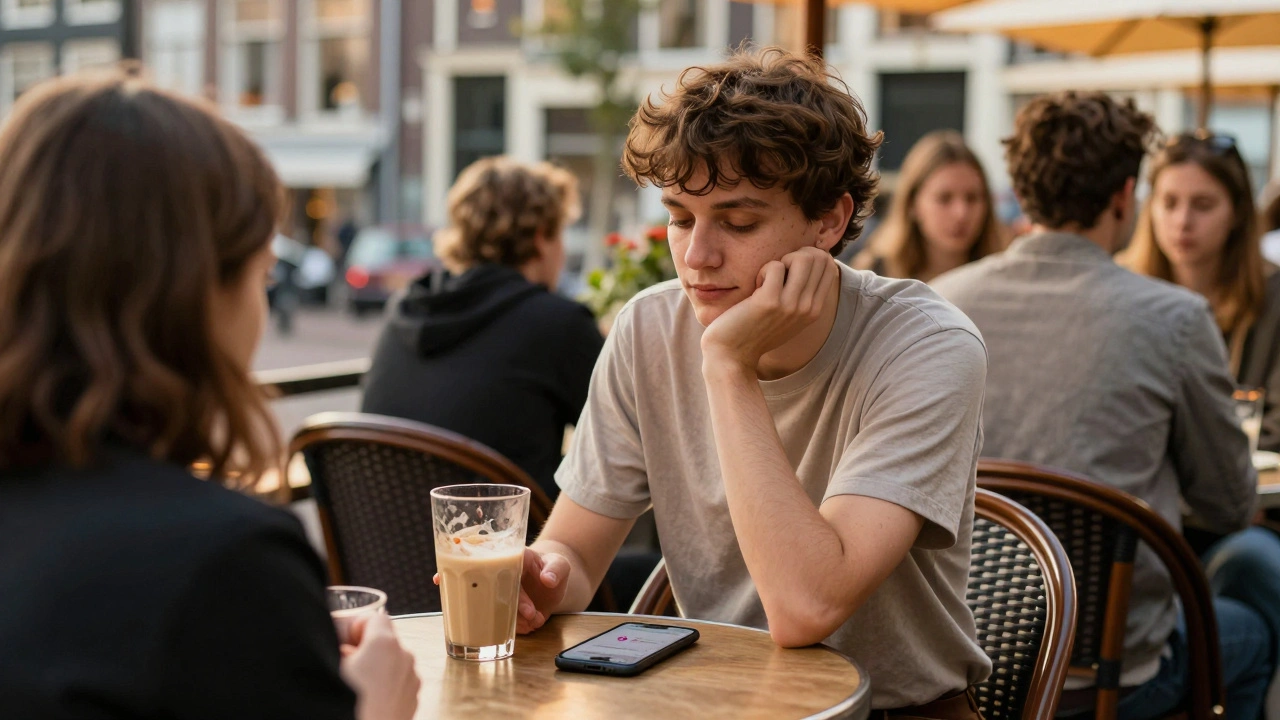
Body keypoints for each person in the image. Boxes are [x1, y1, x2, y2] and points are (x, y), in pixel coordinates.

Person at [516, 47, 992, 716]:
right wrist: (543, 578)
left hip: (894, 710)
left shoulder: (927, 345)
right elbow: (574, 547)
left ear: (829, 219)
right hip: (717, 702)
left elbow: (807, 607)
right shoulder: (649, 327)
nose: (696, 258)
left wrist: (728, 365)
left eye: (739, 223)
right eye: (680, 219)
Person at [0, 70, 419, 719]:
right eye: (261, 273)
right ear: (199, 296)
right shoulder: (225, 560)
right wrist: (375, 708)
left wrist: (278, 643)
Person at [933, 91, 1276, 719]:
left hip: (955, 671)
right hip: (1109, 677)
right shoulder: (1174, 319)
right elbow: (1229, 505)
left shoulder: (937, 303)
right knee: (1252, 629)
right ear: (1125, 195)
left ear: (1019, 187)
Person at [361, 156, 603, 501]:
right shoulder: (557, 323)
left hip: (384, 549)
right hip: (514, 551)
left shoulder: (403, 309)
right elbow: (628, 443)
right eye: (560, 234)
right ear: (540, 238)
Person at [1123, 132, 1280, 454]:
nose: (1183, 221)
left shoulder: (1273, 297)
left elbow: (1274, 434)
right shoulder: (1119, 290)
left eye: (1203, 205)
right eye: (1169, 203)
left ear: (1237, 213)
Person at [853, 130, 1005, 281]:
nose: (961, 213)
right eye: (944, 198)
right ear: (912, 203)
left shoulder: (1003, 276)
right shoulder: (874, 275)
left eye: (972, 198)